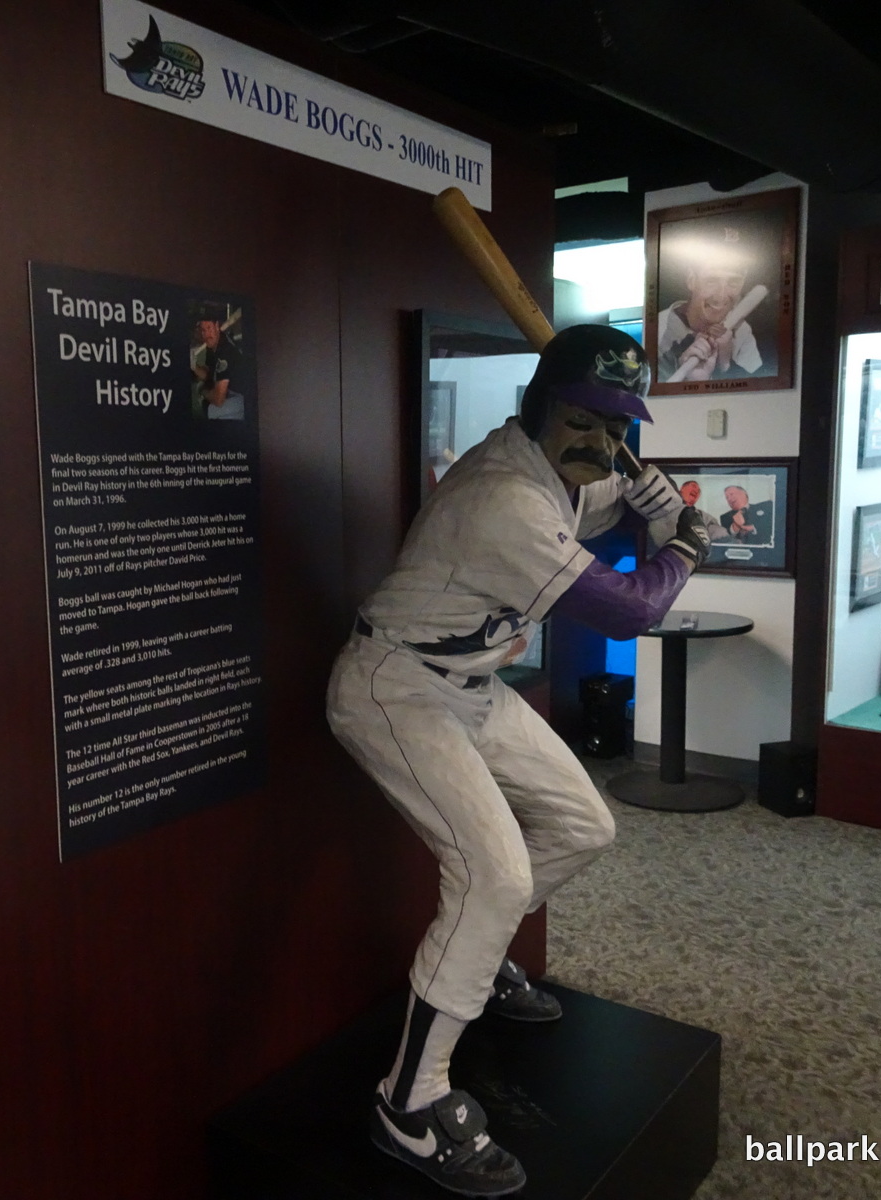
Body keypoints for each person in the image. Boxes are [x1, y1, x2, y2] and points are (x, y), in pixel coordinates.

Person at [326, 325, 711, 1196]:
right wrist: (683, 543)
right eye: (583, 419)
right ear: (538, 406)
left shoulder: (552, 464)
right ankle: (408, 1102)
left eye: (615, 426)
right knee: (494, 877)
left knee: (585, 826)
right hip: (397, 686)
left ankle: (477, 957)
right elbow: (623, 610)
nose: (602, 443)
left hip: (468, 680)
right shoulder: (503, 494)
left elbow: (598, 500)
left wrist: (642, 500)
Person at [656, 233, 763, 381]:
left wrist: (725, 365)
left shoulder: (742, 331)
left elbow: (758, 396)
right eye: (712, 280)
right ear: (691, 280)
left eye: (734, 281)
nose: (721, 295)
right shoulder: (658, 332)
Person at [190, 303, 245, 420]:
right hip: (229, 391)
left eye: (209, 328)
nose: (206, 334)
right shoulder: (211, 345)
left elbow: (219, 400)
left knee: (211, 408)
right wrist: (194, 366)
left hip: (243, 397)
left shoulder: (224, 351)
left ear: (216, 326)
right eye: (203, 330)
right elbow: (208, 374)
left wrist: (202, 391)